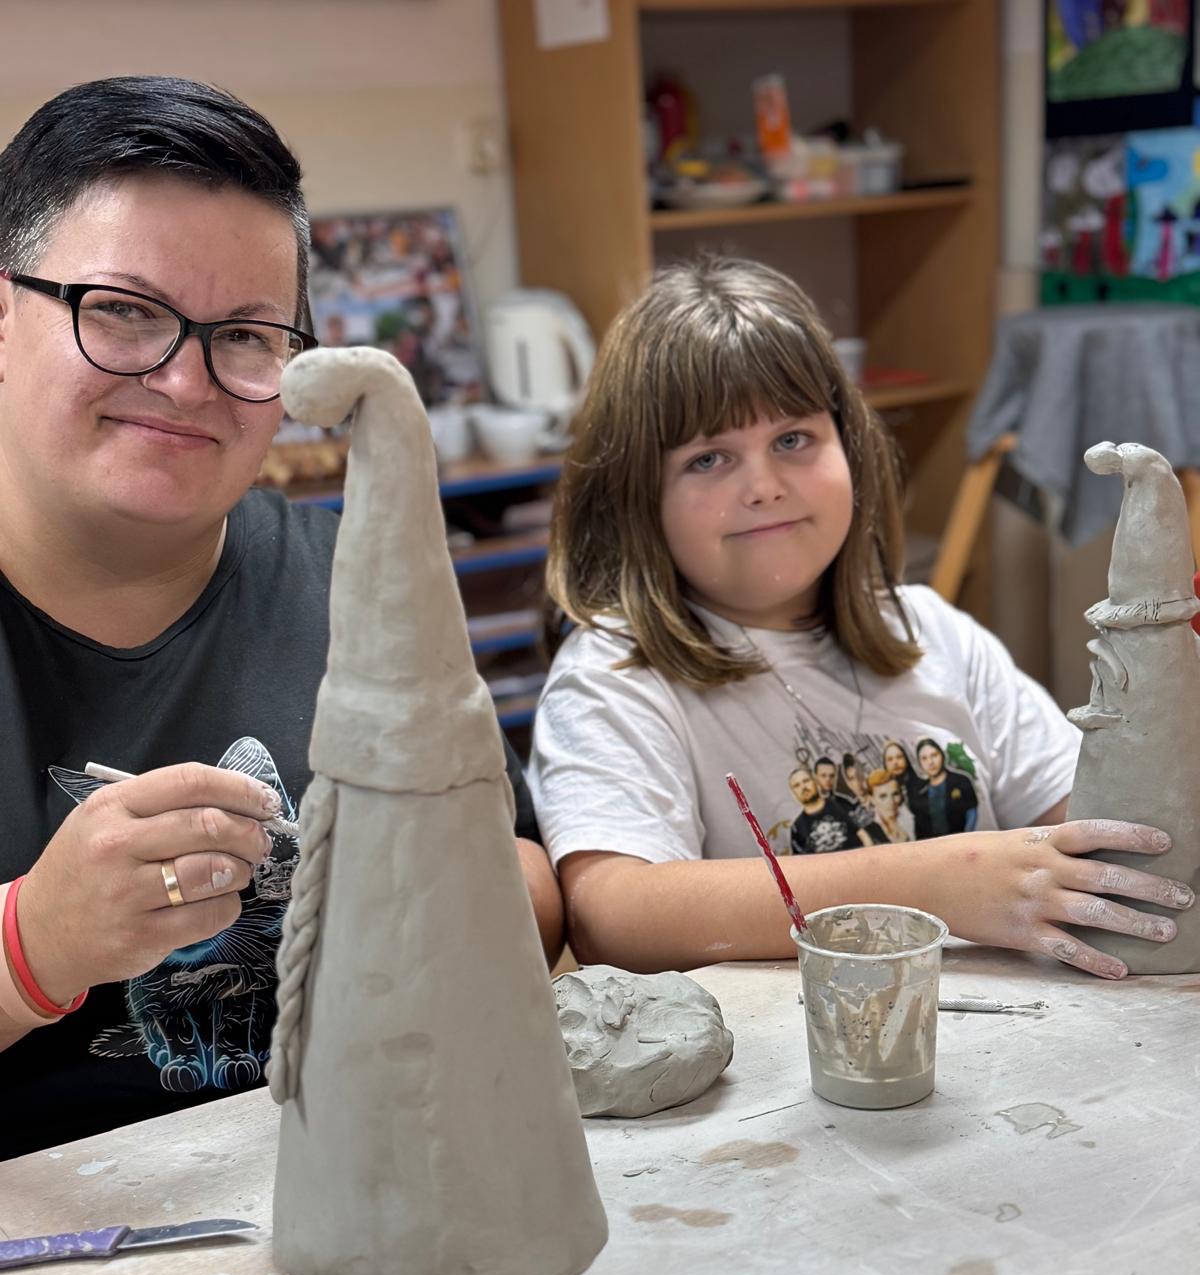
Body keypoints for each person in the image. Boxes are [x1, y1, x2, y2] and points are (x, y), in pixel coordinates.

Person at [0, 76, 562, 1161]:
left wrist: (421, 898)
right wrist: (34, 946)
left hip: (349, 1178)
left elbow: (528, 888)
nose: (185, 380)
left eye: (247, 335)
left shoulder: (353, 579)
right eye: (123, 311)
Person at [529, 256, 1193, 982]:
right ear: (634, 495)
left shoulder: (934, 634)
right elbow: (611, 914)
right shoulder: (613, 676)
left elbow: (1102, 832)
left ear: (851, 447)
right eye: (709, 459)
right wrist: (933, 886)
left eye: (792, 440)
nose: (764, 487)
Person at [787, 763, 858, 855]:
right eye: (797, 785)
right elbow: (801, 861)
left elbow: (864, 833)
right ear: (793, 792)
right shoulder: (796, 828)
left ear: (815, 782)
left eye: (806, 781)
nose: (803, 787)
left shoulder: (840, 803)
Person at [914, 736, 978, 837]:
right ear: (919, 763)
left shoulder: (961, 781)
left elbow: (971, 813)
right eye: (924, 758)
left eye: (934, 755)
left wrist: (965, 838)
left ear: (942, 755)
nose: (930, 762)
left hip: (961, 840)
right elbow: (920, 827)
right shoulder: (920, 792)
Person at [858, 769, 913, 846]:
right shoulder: (869, 831)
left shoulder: (912, 819)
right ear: (872, 799)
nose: (891, 801)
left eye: (895, 794)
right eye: (883, 796)